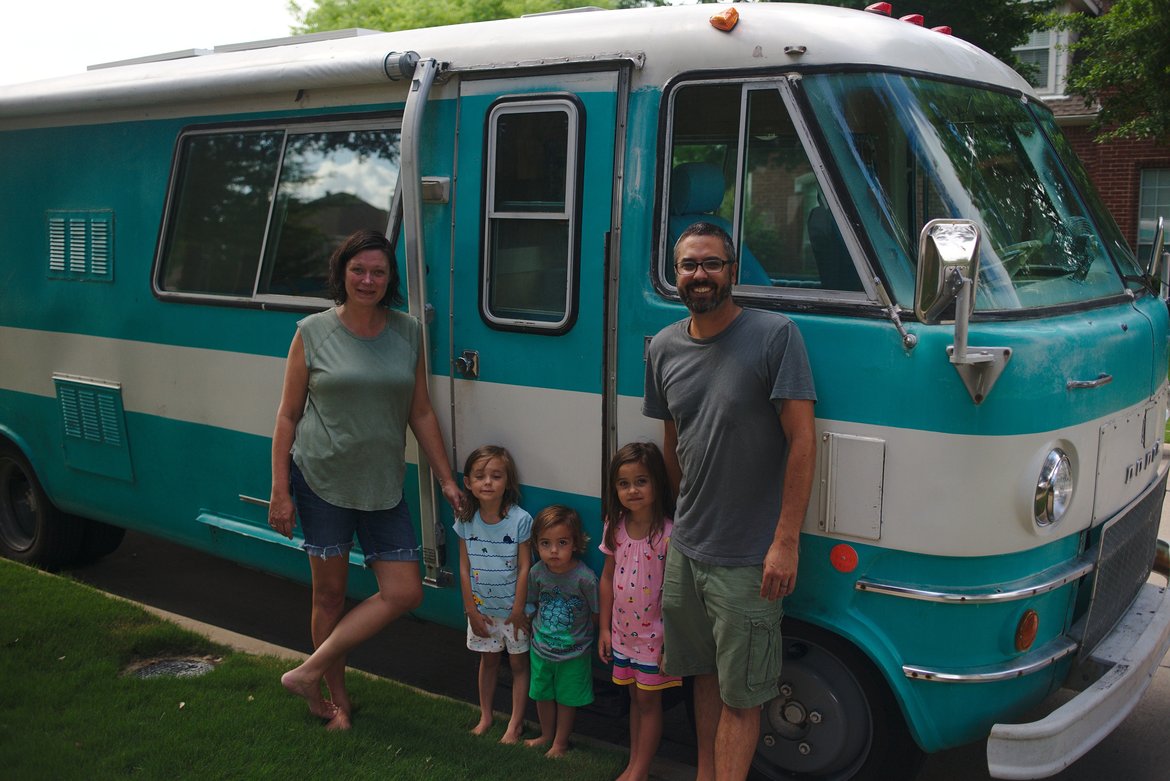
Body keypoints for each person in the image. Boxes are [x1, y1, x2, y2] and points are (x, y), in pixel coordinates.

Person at [269, 229, 464, 731]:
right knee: (329, 597)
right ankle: (336, 702)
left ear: (389, 279)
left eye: (378, 271)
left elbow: (419, 411)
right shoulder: (312, 331)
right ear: (343, 273)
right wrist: (280, 492)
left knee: (404, 591)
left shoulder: (407, 331)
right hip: (321, 479)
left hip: (383, 484)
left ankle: (307, 672)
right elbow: (287, 416)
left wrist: (445, 478)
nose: (368, 279)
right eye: (359, 270)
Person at [643, 221, 817, 780]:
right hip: (688, 548)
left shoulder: (775, 336)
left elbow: (802, 441)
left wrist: (785, 542)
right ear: (676, 276)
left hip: (749, 557)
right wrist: (669, 523)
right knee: (703, 677)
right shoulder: (664, 346)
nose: (700, 275)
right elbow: (673, 441)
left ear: (732, 272)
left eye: (711, 264)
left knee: (743, 698)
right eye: (689, 265)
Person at [597, 442, 681, 781]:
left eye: (641, 481)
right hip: (622, 634)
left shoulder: (668, 535)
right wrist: (604, 628)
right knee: (634, 699)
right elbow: (606, 578)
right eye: (623, 483)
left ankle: (639, 770)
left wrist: (671, 642)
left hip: (654, 639)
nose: (632, 490)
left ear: (658, 483)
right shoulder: (614, 526)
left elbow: (677, 594)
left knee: (649, 703)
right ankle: (635, 766)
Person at [454, 445, 533, 743]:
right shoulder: (465, 520)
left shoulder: (520, 519)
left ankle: (515, 724)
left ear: (507, 482)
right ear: (468, 483)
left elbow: (526, 568)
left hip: (514, 612)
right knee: (488, 662)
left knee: (517, 664)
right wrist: (471, 611)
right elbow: (463, 568)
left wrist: (518, 610)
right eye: (480, 476)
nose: (488, 482)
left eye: (496, 476)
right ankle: (485, 716)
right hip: (483, 611)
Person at [524, 505, 599, 758]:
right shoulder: (536, 573)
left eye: (562, 542)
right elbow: (532, 604)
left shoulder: (585, 578)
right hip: (541, 649)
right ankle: (546, 734)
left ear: (575, 543)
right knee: (542, 694)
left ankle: (561, 742)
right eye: (545, 543)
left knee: (568, 699)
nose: (553, 550)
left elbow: (596, 612)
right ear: (536, 544)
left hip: (574, 653)